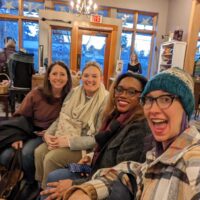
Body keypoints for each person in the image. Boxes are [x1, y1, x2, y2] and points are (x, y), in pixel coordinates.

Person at [63, 67, 200, 200]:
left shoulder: (192, 161)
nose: (153, 109)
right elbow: (129, 172)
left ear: (185, 107)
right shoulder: (156, 154)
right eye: (149, 100)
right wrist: (88, 190)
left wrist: (77, 184)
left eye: (165, 99)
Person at [40, 72, 152, 200]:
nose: (123, 95)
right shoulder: (115, 117)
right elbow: (103, 145)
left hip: (104, 180)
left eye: (132, 92)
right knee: (53, 175)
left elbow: (120, 176)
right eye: (120, 90)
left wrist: (74, 184)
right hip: (93, 166)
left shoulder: (138, 128)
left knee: (54, 175)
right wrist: (91, 156)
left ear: (142, 97)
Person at [0, 60, 72, 199]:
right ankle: (24, 180)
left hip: (52, 135)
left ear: (68, 78)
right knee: (6, 155)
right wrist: (16, 137)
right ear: (48, 76)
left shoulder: (70, 97)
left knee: (27, 153)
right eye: (54, 73)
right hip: (29, 131)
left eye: (62, 74)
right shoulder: (36, 93)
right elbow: (19, 116)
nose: (58, 77)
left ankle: (32, 183)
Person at [34, 61, 108, 189]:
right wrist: (48, 134)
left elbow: (97, 138)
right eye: (86, 76)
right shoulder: (74, 93)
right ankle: (41, 187)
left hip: (85, 149)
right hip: (63, 136)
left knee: (51, 158)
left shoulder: (105, 101)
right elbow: (61, 118)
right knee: (39, 152)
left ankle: (50, 193)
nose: (90, 79)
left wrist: (68, 142)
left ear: (101, 78)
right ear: (81, 77)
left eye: (94, 76)